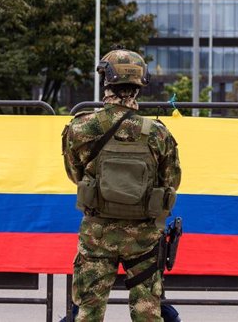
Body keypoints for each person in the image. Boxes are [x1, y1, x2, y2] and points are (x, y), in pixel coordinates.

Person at [62, 47, 182, 322]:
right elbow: (171, 181)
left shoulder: (80, 128)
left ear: (107, 82)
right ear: (139, 85)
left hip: (97, 235)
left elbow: (75, 175)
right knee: (148, 313)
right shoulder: (158, 132)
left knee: (88, 312)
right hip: (143, 237)